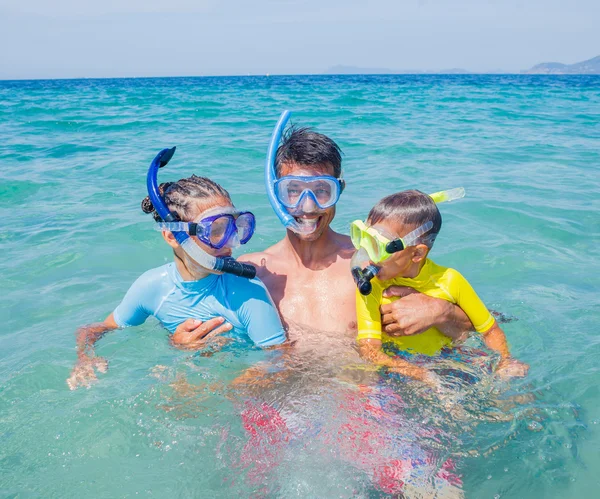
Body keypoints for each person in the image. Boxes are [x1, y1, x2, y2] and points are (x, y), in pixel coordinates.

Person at [67, 149, 286, 390]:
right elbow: (96, 329)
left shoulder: (247, 291)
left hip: (237, 392)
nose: (231, 242)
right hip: (187, 383)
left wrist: (222, 392)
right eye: (216, 231)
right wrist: (85, 358)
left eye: (236, 228)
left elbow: (281, 359)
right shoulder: (153, 287)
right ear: (172, 236)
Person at [352, 189, 530, 382]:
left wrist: (505, 360)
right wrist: (420, 374)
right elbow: (369, 350)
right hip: (400, 366)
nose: (367, 253)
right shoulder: (370, 286)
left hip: (448, 359)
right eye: (364, 239)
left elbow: (490, 330)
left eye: (377, 245)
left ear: (417, 254)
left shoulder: (450, 280)